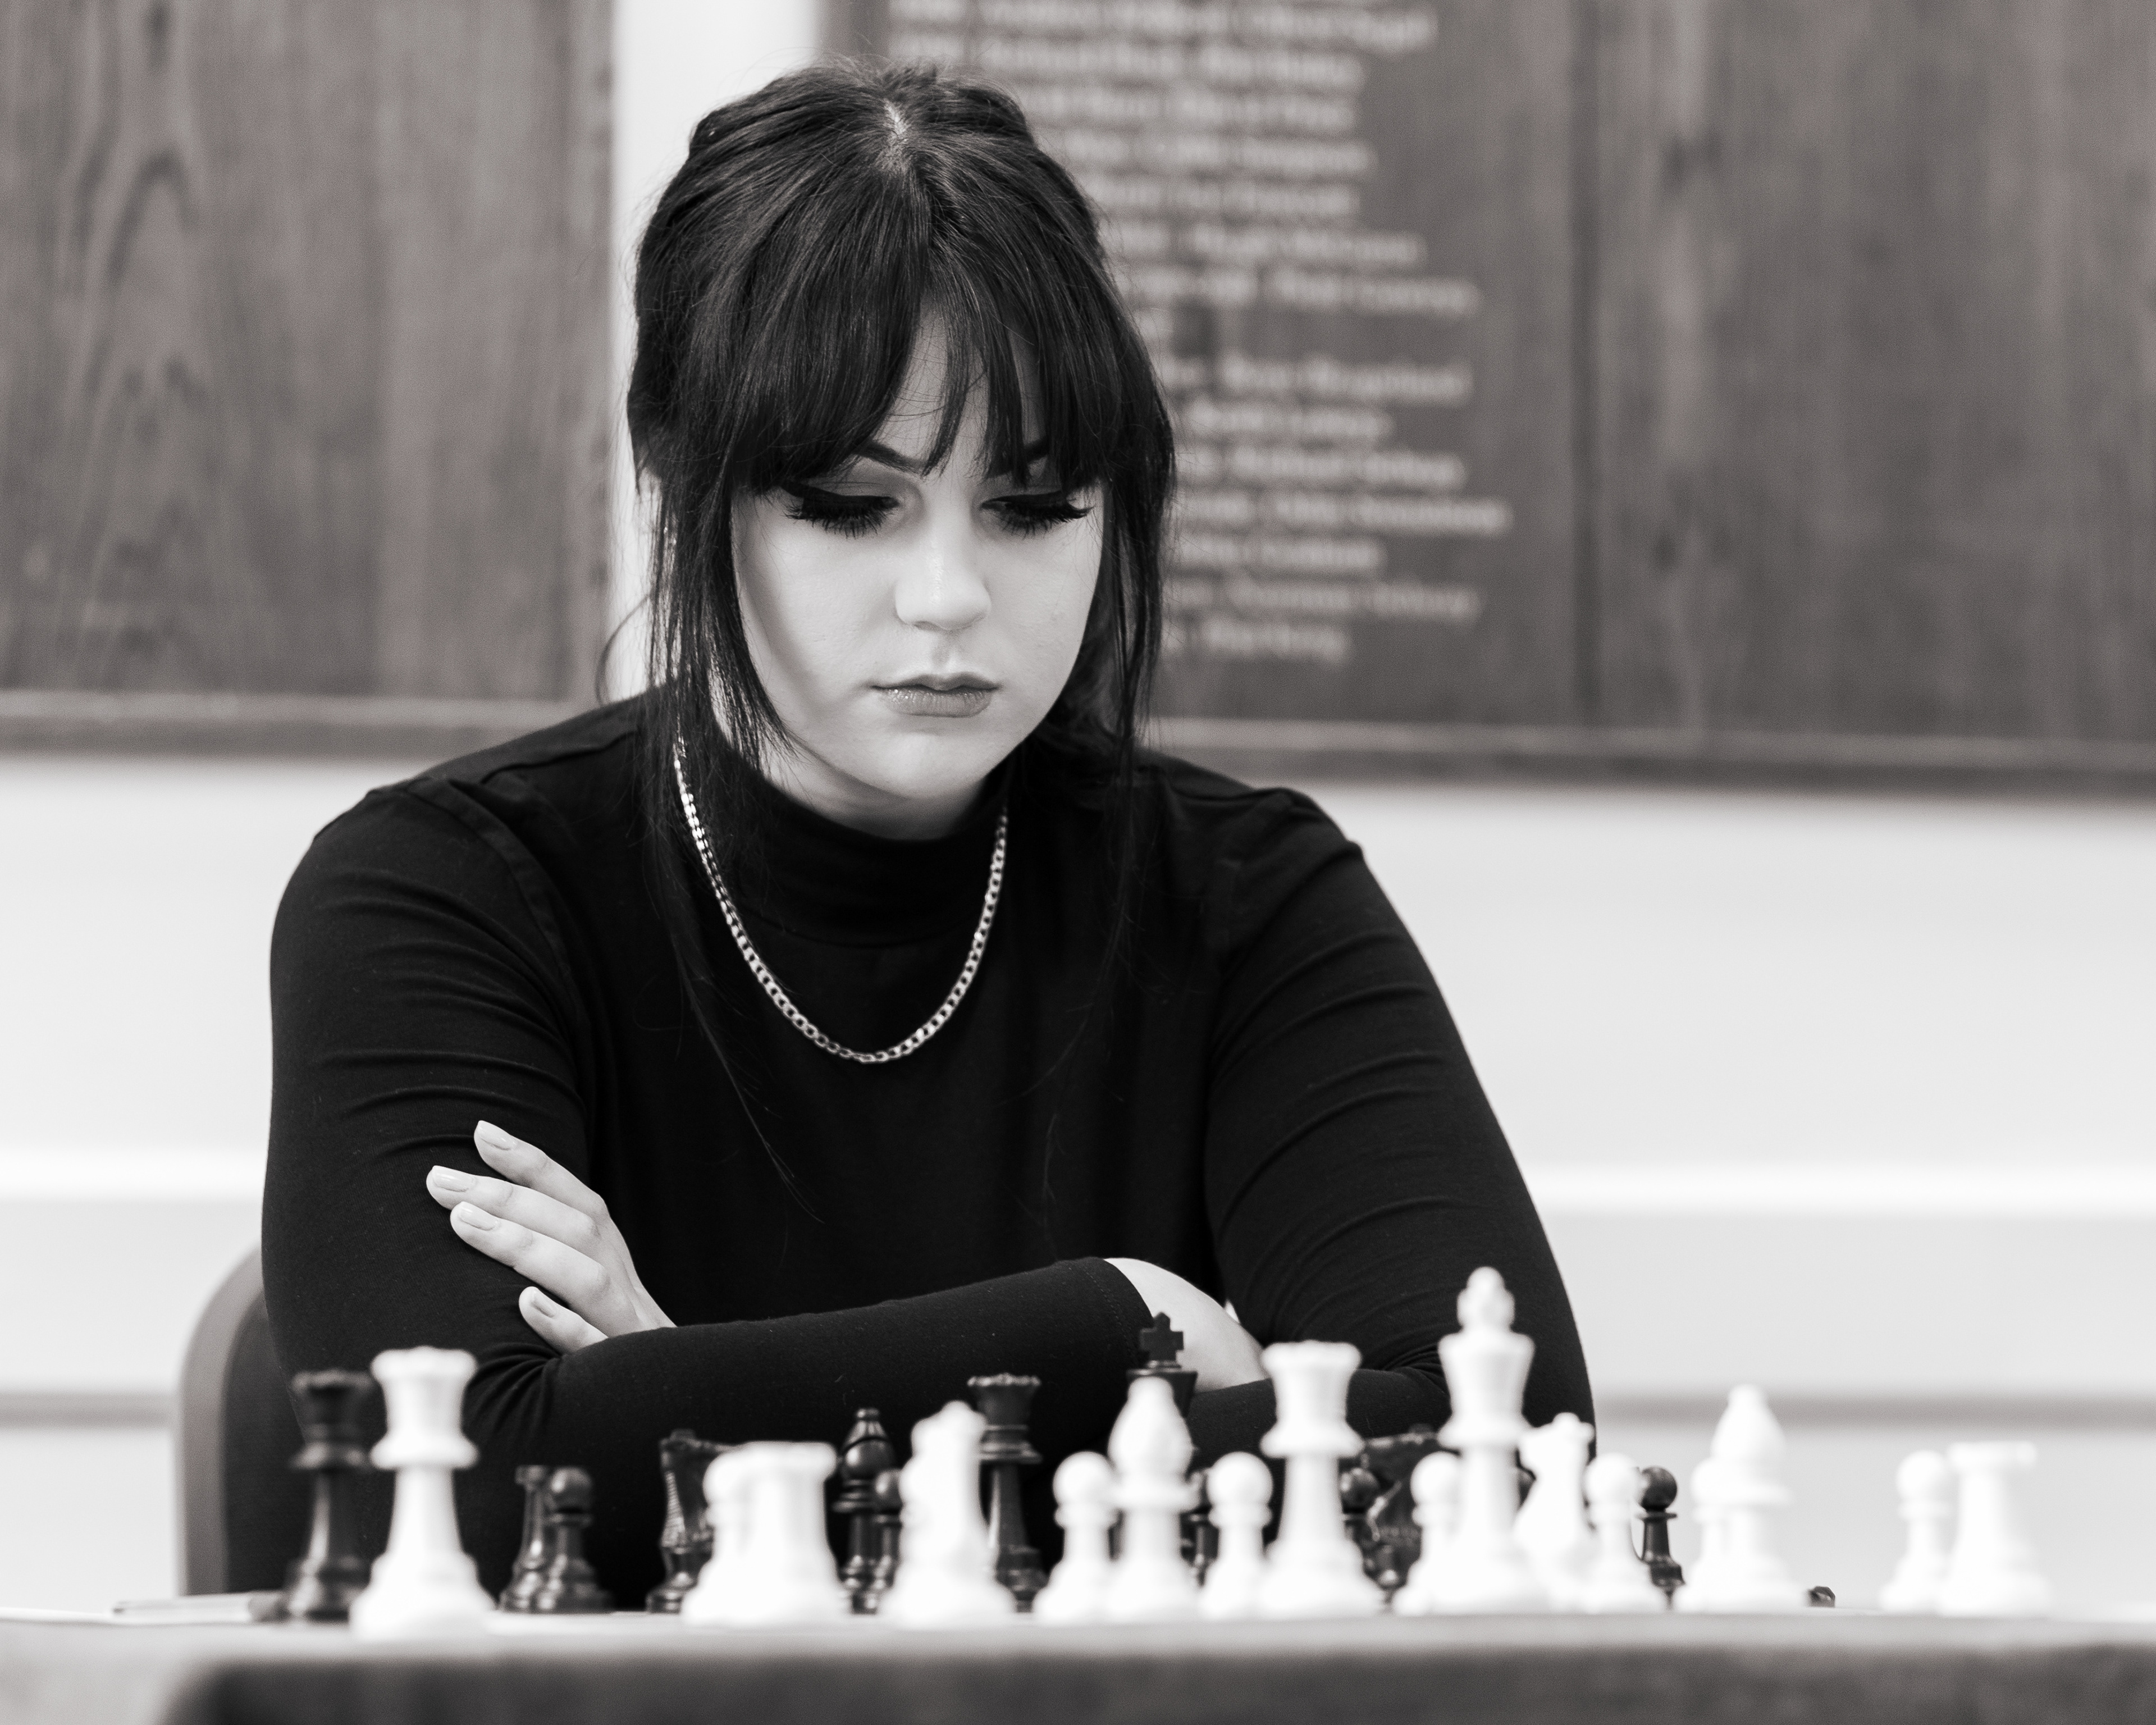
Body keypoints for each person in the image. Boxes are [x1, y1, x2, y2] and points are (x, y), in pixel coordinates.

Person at [264, 59, 1592, 1599]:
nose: (950, 596)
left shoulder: (1249, 896)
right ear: (679, 480)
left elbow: (1500, 1459)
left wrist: (687, 1412)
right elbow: (481, 1491)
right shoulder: (442, 896)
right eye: (850, 504)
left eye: (1035, 507)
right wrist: (1134, 1322)